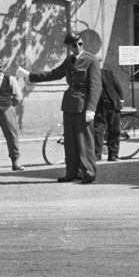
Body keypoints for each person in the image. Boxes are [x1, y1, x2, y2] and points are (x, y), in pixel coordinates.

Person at [29, 32, 102, 183]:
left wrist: (91, 108)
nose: (78, 47)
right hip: (69, 104)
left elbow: (96, 87)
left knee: (84, 141)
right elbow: (54, 74)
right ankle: (72, 172)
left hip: (83, 106)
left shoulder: (91, 60)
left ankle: (89, 173)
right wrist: (29, 76)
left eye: (80, 44)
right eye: (74, 45)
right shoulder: (69, 61)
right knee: (70, 141)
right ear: (69, 46)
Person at [93, 66, 125, 163]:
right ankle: (97, 155)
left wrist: (121, 99)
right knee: (98, 130)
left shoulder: (107, 72)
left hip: (112, 104)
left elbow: (117, 85)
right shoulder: (89, 74)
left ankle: (113, 155)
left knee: (114, 129)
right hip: (99, 105)